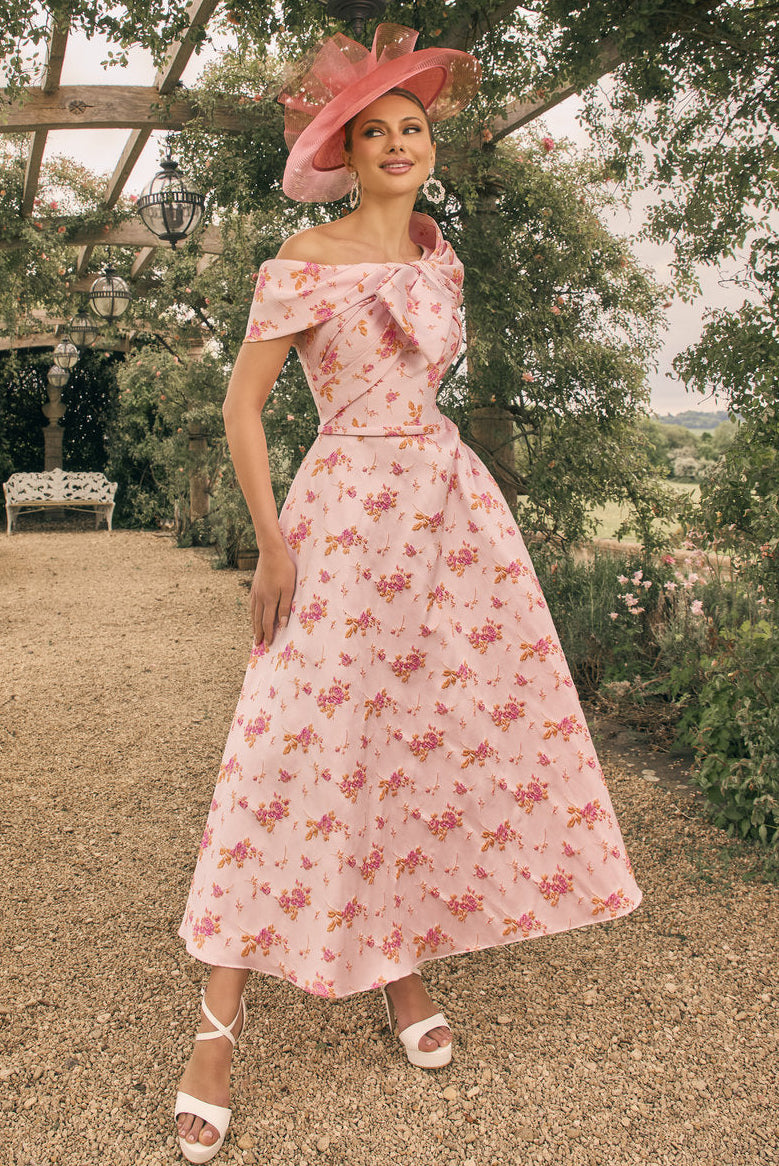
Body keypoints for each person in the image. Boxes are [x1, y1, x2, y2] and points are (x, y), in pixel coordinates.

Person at [175, 23, 641, 1163]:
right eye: (370, 130)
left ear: (431, 148)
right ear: (341, 152)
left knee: (422, 745)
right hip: (340, 511)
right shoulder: (301, 257)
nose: (393, 142)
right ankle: (212, 1031)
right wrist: (273, 543)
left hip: (444, 516)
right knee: (287, 750)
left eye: (409, 127)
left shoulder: (442, 259)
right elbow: (244, 407)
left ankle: (400, 964)